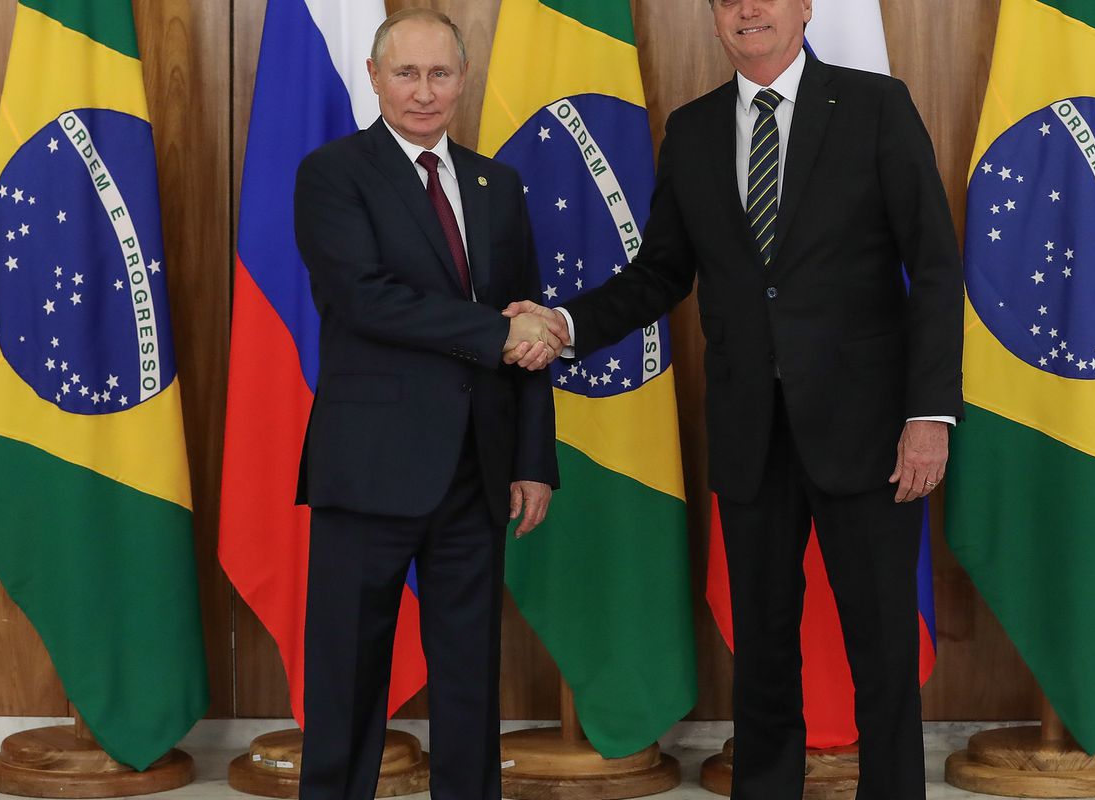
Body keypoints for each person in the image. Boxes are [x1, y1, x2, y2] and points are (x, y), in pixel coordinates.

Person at [505, 0, 962, 797]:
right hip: (751, 430)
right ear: (717, 19)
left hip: (868, 430)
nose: (749, 8)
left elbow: (933, 265)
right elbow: (660, 273)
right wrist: (565, 323)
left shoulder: (875, 106)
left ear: (804, 8)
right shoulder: (692, 130)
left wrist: (929, 415)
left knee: (883, 650)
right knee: (763, 648)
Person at [291, 10, 560, 800]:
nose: (423, 91)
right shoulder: (333, 174)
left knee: (471, 684)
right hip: (368, 469)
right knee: (347, 681)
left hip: (475, 471)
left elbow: (527, 315)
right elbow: (366, 299)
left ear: (462, 79)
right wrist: (497, 332)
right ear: (375, 77)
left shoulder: (497, 184)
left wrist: (532, 459)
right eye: (406, 73)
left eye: (440, 73)